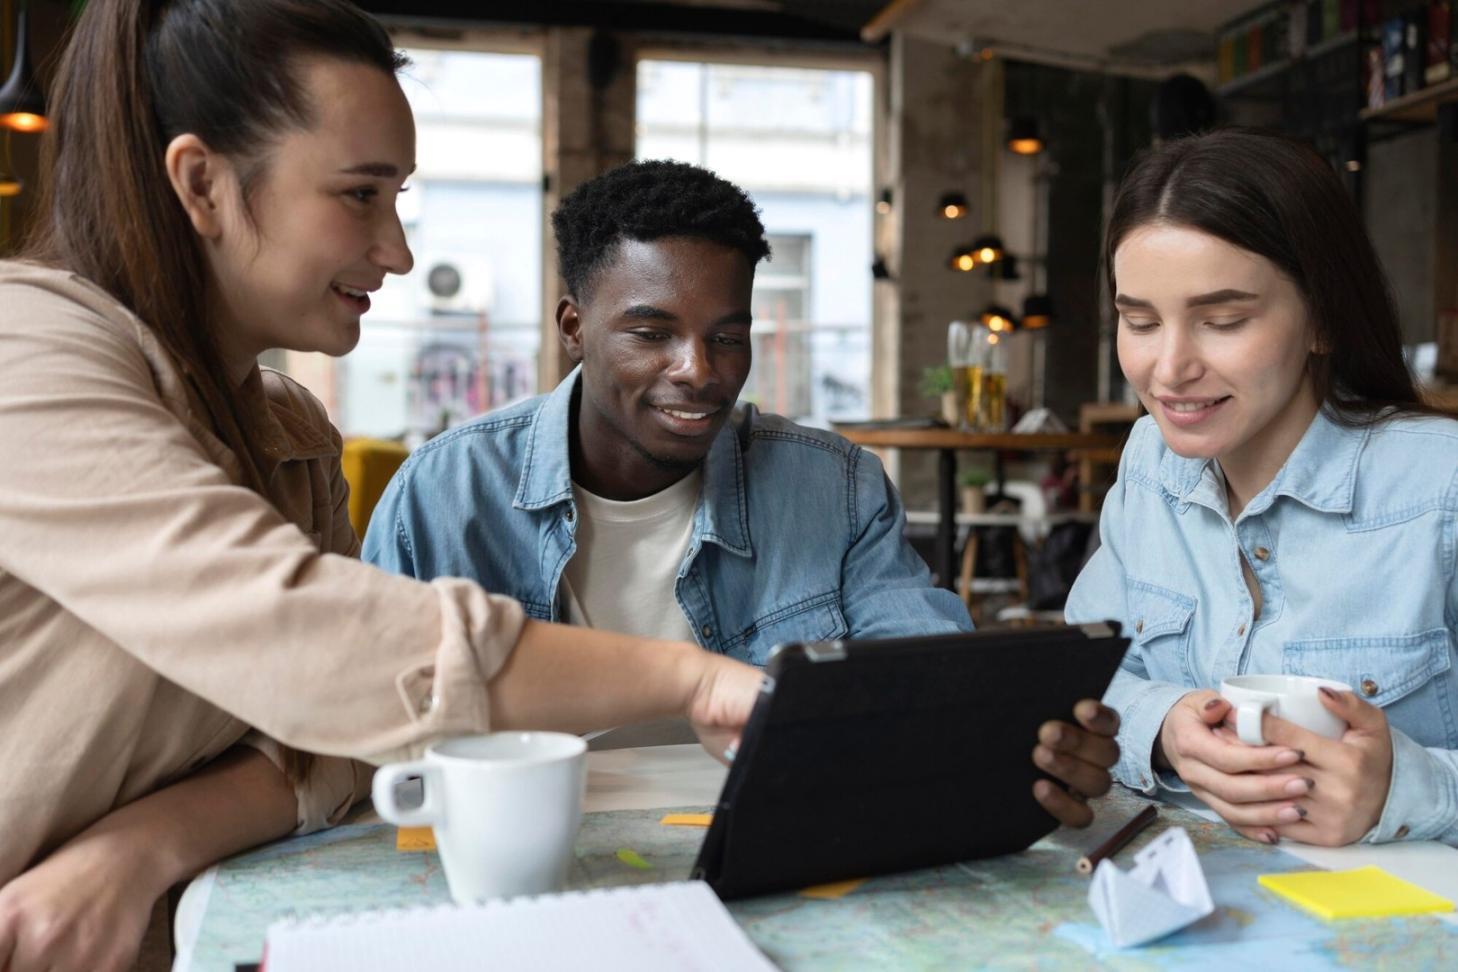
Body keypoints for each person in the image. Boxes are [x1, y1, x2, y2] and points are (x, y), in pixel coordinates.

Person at [0, 3, 759, 970]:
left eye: (397, 197)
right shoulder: (26, 347)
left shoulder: (288, 429)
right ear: (201, 183)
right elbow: (318, 642)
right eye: (360, 194)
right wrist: (692, 677)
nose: (398, 250)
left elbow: (341, 743)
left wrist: (139, 847)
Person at [363, 159, 1121, 817]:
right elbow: (371, 730)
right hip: (528, 831)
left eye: (727, 337)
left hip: (771, 820)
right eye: (651, 334)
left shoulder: (834, 488)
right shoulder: (446, 493)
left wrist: (1019, 741)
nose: (699, 370)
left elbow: (927, 677)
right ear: (573, 327)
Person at [1067, 127, 1458, 848]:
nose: (1169, 369)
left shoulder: (1441, 486)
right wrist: (1164, 728)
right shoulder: (1150, 464)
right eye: (1140, 321)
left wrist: (1406, 789)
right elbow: (1077, 679)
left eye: (1223, 321)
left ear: (1323, 319)